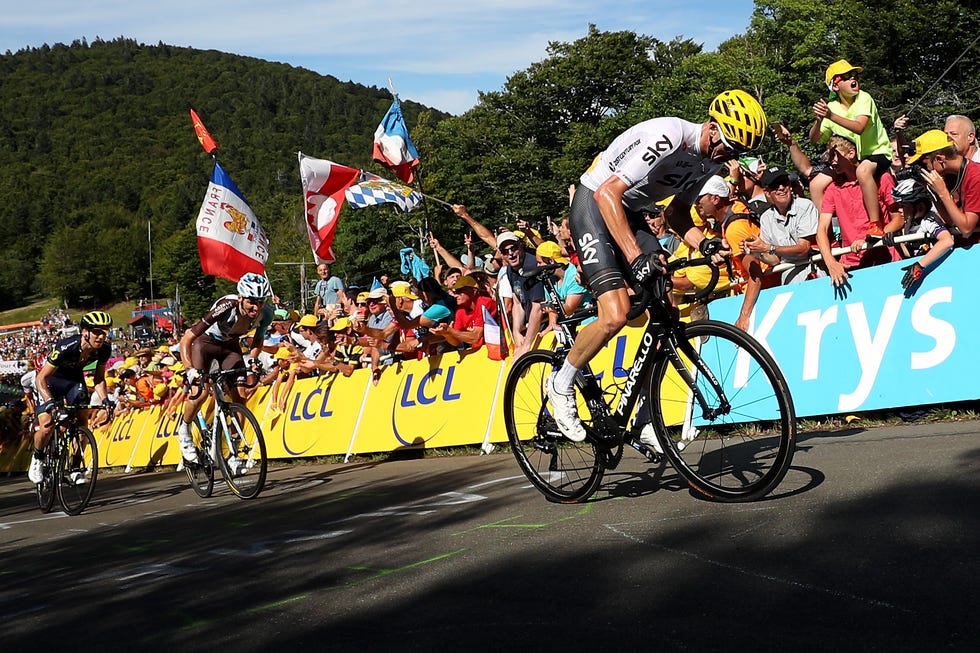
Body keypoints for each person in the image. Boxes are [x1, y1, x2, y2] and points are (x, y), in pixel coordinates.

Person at [550, 89, 768, 443]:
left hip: (630, 213)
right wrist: (635, 258)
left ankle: (644, 416)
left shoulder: (710, 160)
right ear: (712, 127)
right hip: (595, 204)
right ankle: (561, 384)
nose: (729, 158)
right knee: (616, 313)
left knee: (666, 308)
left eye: (738, 154)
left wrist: (704, 242)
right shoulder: (668, 137)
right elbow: (608, 193)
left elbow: (676, 214)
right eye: (728, 147)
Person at [176, 272, 275, 464]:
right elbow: (187, 338)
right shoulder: (225, 307)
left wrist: (253, 360)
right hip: (204, 344)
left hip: (230, 347)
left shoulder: (267, 314)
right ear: (240, 298)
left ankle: (234, 451)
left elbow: (258, 338)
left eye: (261, 301)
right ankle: (184, 430)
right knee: (201, 392)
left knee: (240, 396)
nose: (256, 306)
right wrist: (189, 369)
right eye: (251, 301)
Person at [808, 60, 894, 238]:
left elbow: (859, 127)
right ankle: (830, 234)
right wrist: (818, 120)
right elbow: (815, 139)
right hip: (853, 159)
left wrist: (830, 116)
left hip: (877, 153)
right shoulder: (831, 107)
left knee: (863, 171)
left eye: (854, 75)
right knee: (815, 184)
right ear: (835, 85)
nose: (853, 78)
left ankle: (875, 225)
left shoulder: (864, 98)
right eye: (846, 77)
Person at [29, 310, 113, 485]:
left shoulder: (104, 349)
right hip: (50, 381)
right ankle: (37, 458)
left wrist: (106, 400)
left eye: (104, 332)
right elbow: (40, 378)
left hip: (74, 382)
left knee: (83, 420)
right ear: (85, 332)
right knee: (47, 424)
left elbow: (98, 379)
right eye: (97, 331)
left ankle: (75, 466)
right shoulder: (66, 346)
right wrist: (50, 402)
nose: (101, 336)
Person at [816, 135, 899, 287]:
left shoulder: (882, 178)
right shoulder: (833, 189)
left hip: (886, 260)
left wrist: (870, 239)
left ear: (851, 153)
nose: (832, 161)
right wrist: (831, 263)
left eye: (835, 155)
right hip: (851, 267)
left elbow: (898, 220)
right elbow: (821, 230)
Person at [693, 175, 767, 331]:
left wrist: (744, 316)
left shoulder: (734, 228)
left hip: (761, 296)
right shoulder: (738, 207)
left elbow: (755, 274)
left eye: (700, 198)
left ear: (715, 199)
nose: (696, 202)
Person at [741, 166, 823, 286]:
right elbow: (774, 260)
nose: (781, 188)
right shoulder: (766, 218)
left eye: (784, 183)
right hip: (789, 278)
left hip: (815, 270)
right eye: (775, 185)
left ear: (790, 186)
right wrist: (755, 252)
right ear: (767, 192)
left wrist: (769, 248)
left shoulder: (805, 206)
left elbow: (804, 249)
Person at [906, 129, 980, 241]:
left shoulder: (975, 177)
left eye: (924, 164)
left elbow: (966, 229)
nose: (925, 169)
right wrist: (931, 189)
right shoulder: (951, 177)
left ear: (939, 159)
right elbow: (951, 220)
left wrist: (943, 192)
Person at [881, 178, 955, 290]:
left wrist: (920, 265)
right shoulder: (909, 223)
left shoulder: (929, 220)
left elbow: (947, 241)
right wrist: (896, 244)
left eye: (904, 206)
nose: (899, 210)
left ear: (920, 207)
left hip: (941, 276)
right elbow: (910, 255)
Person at [498, 230, 545, 358]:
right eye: (505, 251)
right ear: (501, 255)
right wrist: (516, 331)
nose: (511, 254)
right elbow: (518, 303)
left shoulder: (532, 265)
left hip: (545, 325)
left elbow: (538, 307)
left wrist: (526, 345)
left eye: (513, 248)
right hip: (531, 325)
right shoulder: (509, 269)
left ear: (521, 246)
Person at [430, 275, 498, 352]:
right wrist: (445, 333)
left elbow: (475, 337)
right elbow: (455, 342)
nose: (455, 295)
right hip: (479, 352)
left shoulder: (485, 303)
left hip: (495, 349)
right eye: (455, 292)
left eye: (459, 291)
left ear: (474, 291)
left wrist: (450, 331)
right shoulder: (461, 310)